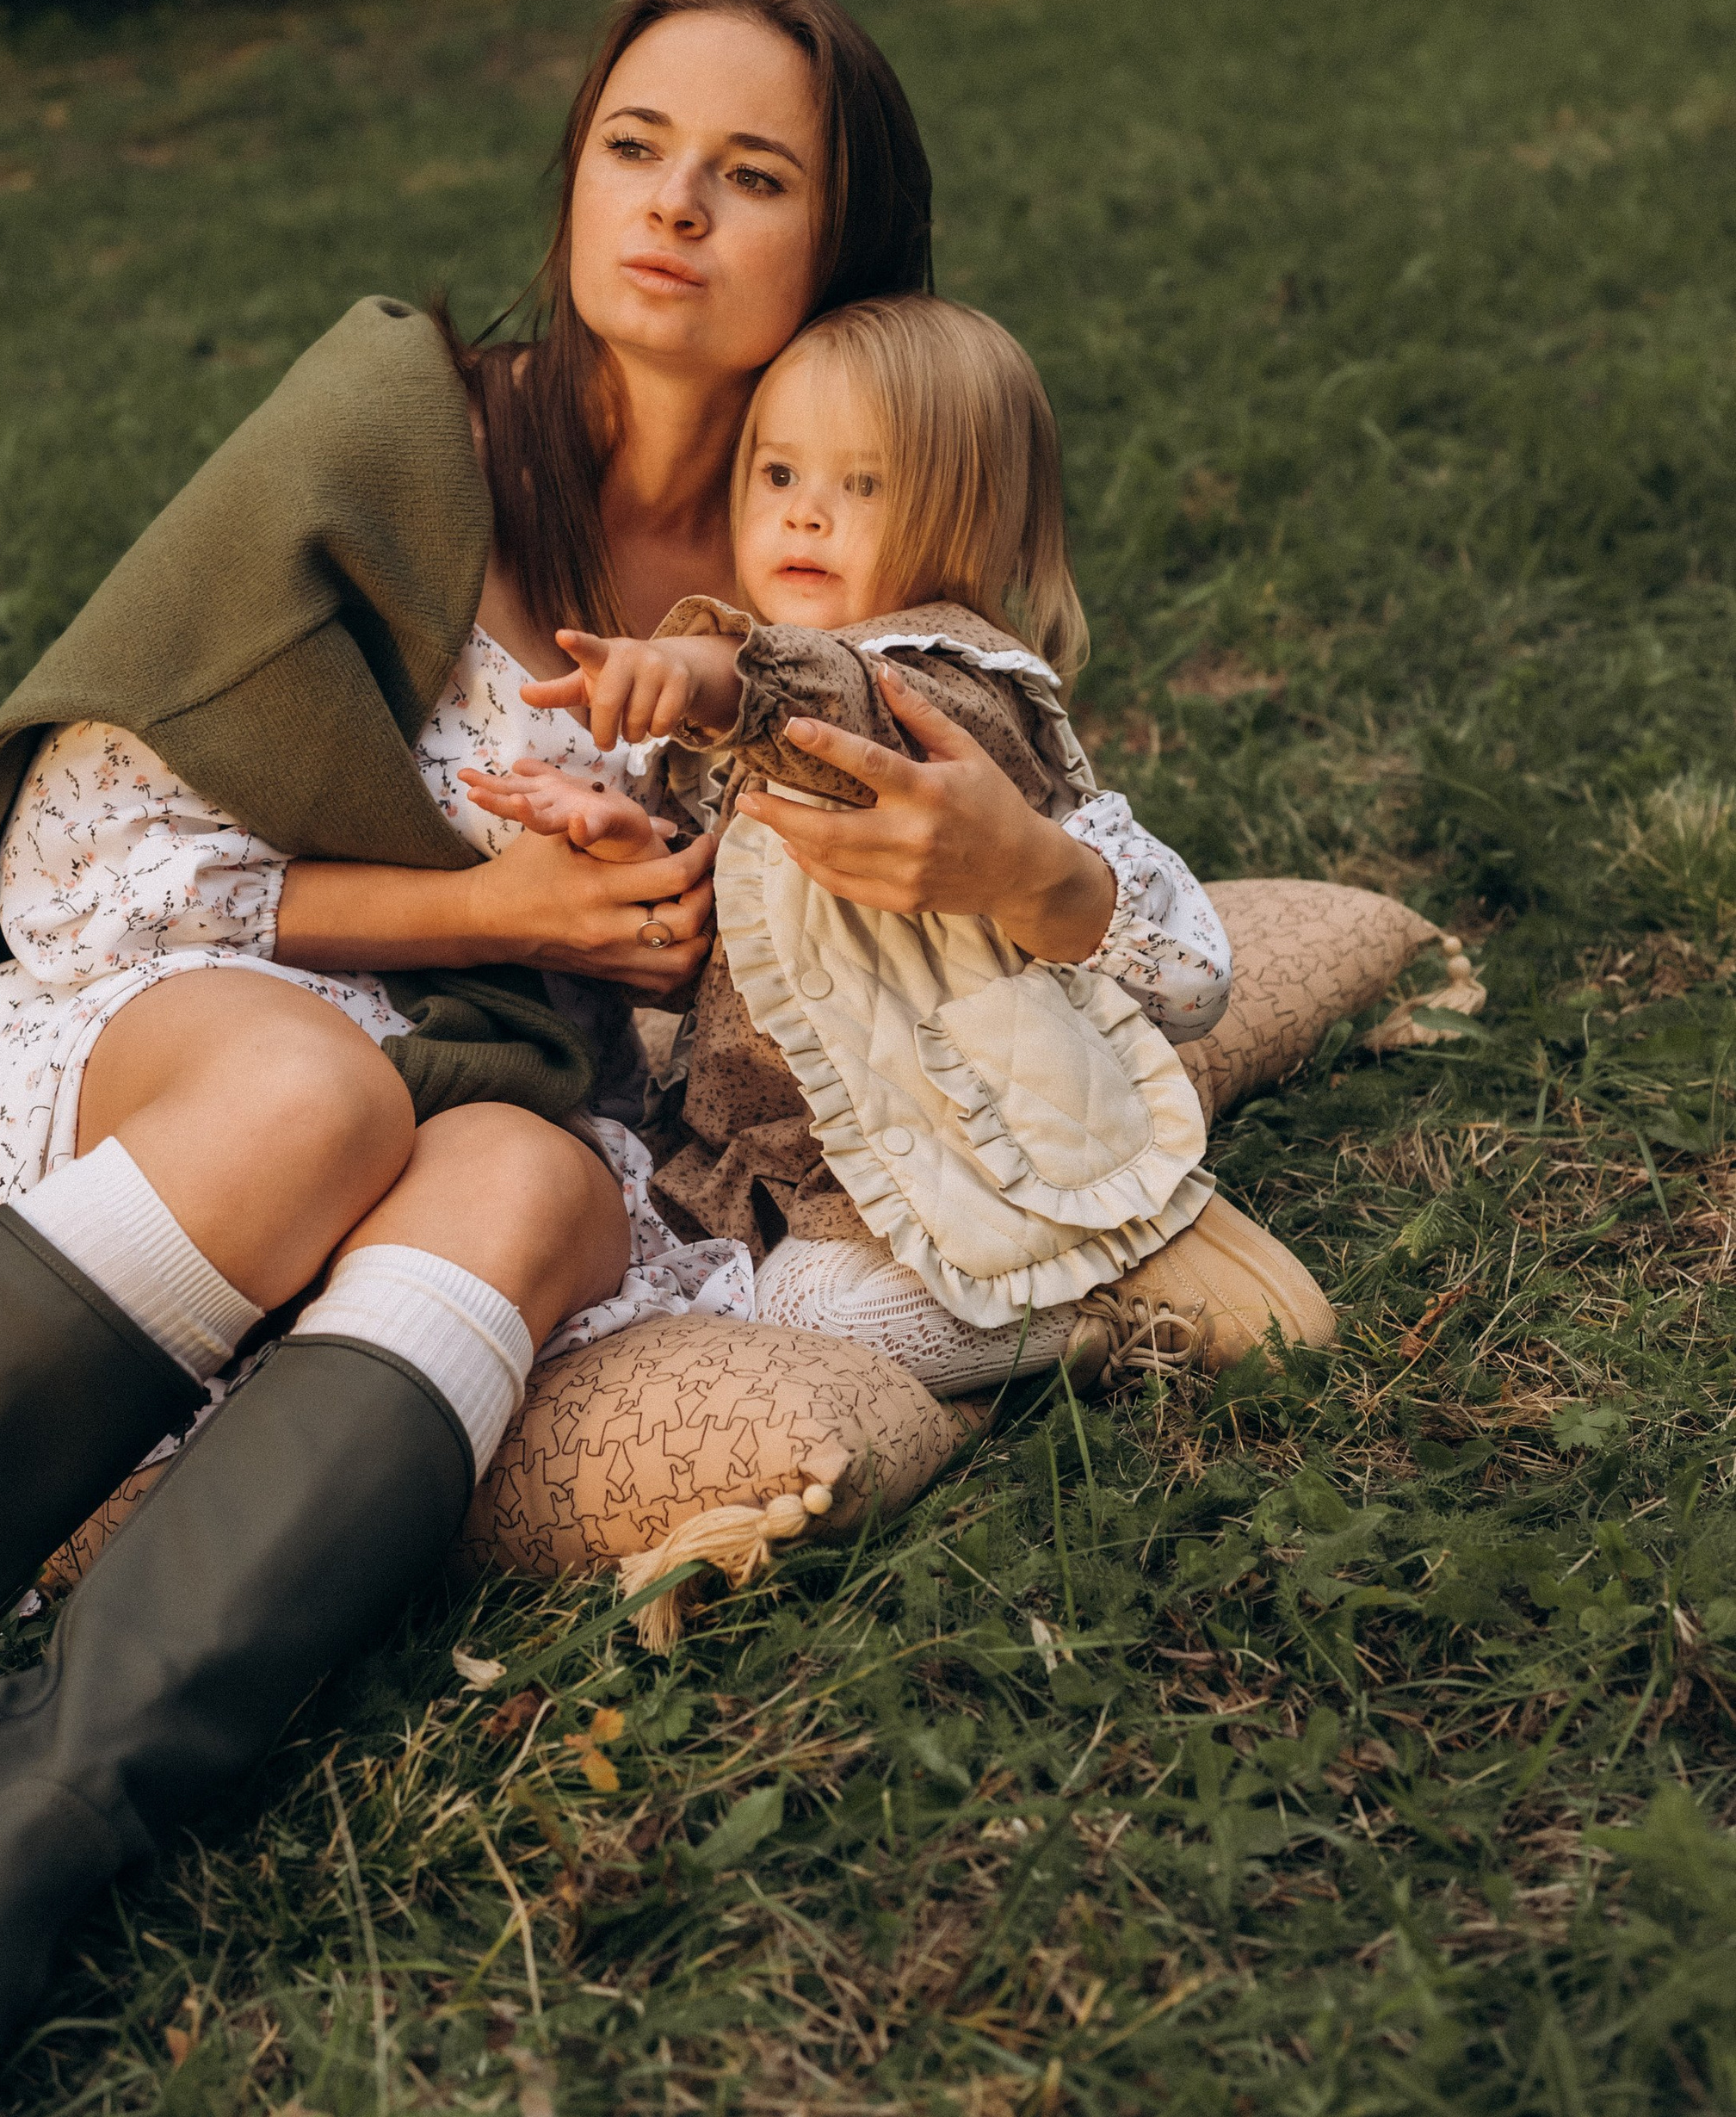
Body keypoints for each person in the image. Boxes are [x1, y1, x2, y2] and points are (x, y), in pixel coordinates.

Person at [0, 0, 1252, 2117]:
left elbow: (1156, 921)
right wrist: (493, 898)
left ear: (842, 246)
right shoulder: (405, 426)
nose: (677, 206)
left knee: (541, 1176)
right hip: (198, 1034)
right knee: (318, 1084)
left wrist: (1012, 875)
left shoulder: (837, 536)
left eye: (755, 175)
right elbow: (81, 869)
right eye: (640, 142)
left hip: (508, 1126)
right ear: (574, 174)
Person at [463, 293, 1336, 1394]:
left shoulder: (944, 683)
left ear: (973, 523)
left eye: (861, 485)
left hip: (934, 1144)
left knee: (799, 1324)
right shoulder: (765, 715)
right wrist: (630, 842)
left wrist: (710, 671)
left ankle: (1082, 1307)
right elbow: (734, 921)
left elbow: (839, 711)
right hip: (777, 1150)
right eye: (777, 477)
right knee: (639, 1266)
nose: (806, 516)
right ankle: (1004, 1307)